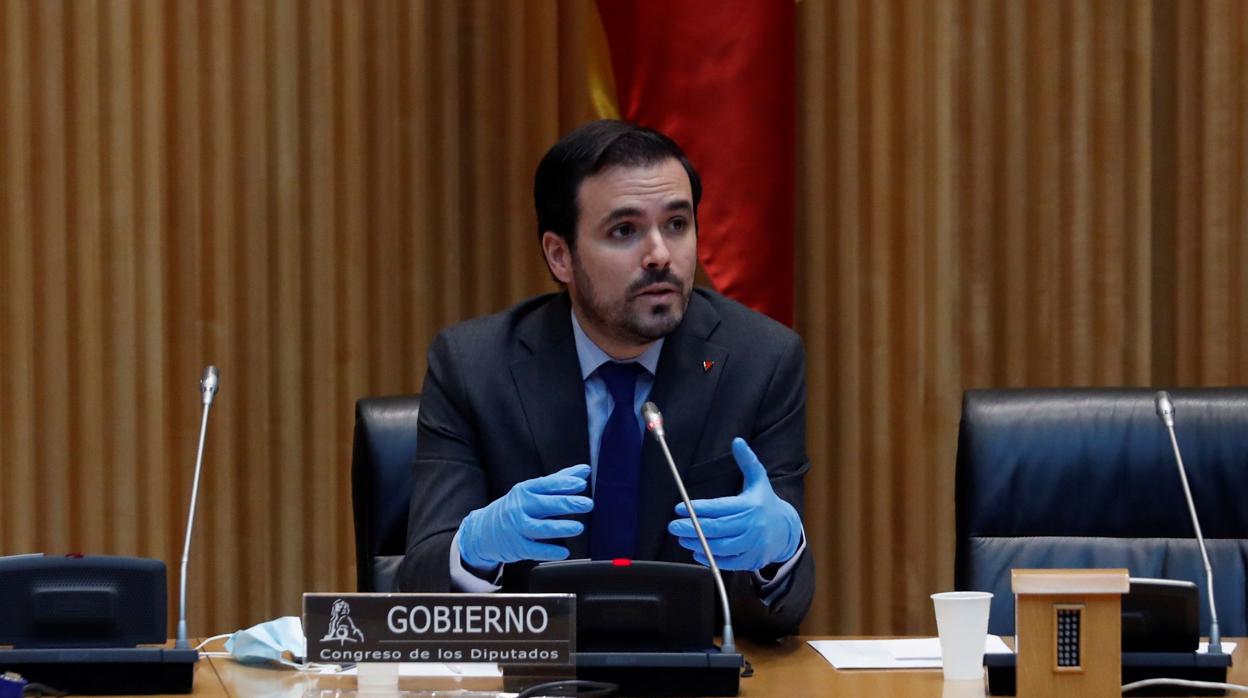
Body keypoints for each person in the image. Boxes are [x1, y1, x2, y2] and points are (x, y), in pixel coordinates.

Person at [397, 120, 813, 639]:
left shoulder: (761, 361)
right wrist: (475, 552)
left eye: (678, 224)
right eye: (625, 230)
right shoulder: (473, 367)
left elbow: (784, 609)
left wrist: (778, 554)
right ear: (560, 256)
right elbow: (417, 588)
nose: (660, 254)